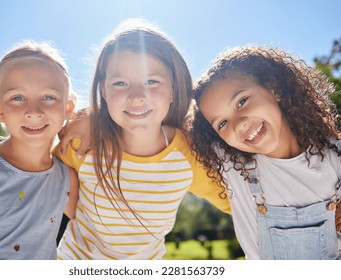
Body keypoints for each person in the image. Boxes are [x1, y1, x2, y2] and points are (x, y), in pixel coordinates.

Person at [54, 18, 231, 260]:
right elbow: (38, 180)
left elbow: (237, 202)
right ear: (103, 91)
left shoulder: (188, 154)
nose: (137, 96)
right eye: (120, 83)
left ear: (173, 90)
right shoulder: (82, 143)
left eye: (151, 81)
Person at [189, 45, 341, 259]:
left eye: (242, 101)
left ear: (273, 89)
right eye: (222, 123)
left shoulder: (337, 157)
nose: (239, 124)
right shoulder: (231, 166)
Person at [0, 41, 79, 260]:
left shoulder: (67, 178)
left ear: (67, 108)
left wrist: (89, 121)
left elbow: (99, 224)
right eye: (17, 98)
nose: (33, 111)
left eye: (48, 97)